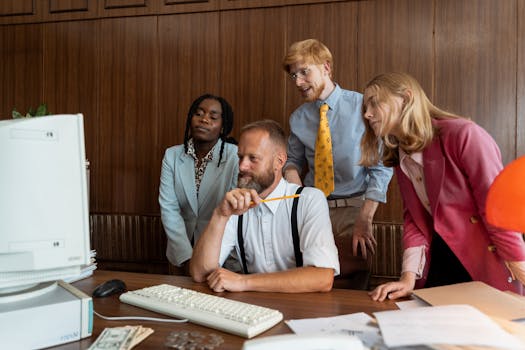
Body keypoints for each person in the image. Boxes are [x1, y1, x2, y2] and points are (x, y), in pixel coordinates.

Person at [360, 72, 525, 301]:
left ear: (406, 99)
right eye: (365, 107)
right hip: (441, 261)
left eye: (374, 103)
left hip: (488, 261)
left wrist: (518, 263)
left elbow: (497, 207)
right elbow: (414, 220)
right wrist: (408, 278)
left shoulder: (464, 135)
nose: (367, 114)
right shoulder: (399, 154)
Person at [282, 39, 393, 287]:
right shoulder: (298, 118)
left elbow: (381, 167)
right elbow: (292, 162)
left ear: (326, 68)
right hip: (312, 209)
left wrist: (366, 217)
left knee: (350, 286)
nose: (298, 82)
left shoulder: (363, 108)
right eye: (293, 76)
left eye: (304, 72)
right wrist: (298, 200)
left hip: (355, 212)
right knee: (312, 283)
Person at [190, 119, 340, 293]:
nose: (242, 166)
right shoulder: (234, 205)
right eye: (240, 157)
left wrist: (243, 282)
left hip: (300, 310)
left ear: (279, 162)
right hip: (251, 312)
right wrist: (220, 215)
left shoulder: (309, 200)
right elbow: (199, 273)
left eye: (253, 158)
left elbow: (322, 278)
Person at [159, 94, 239, 274]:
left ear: (223, 126)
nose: (204, 120)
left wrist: (207, 259)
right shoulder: (172, 155)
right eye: (199, 114)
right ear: (190, 118)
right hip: (180, 253)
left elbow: (233, 212)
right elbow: (169, 208)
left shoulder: (235, 157)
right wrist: (187, 257)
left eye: (213, 117)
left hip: (221, 254)